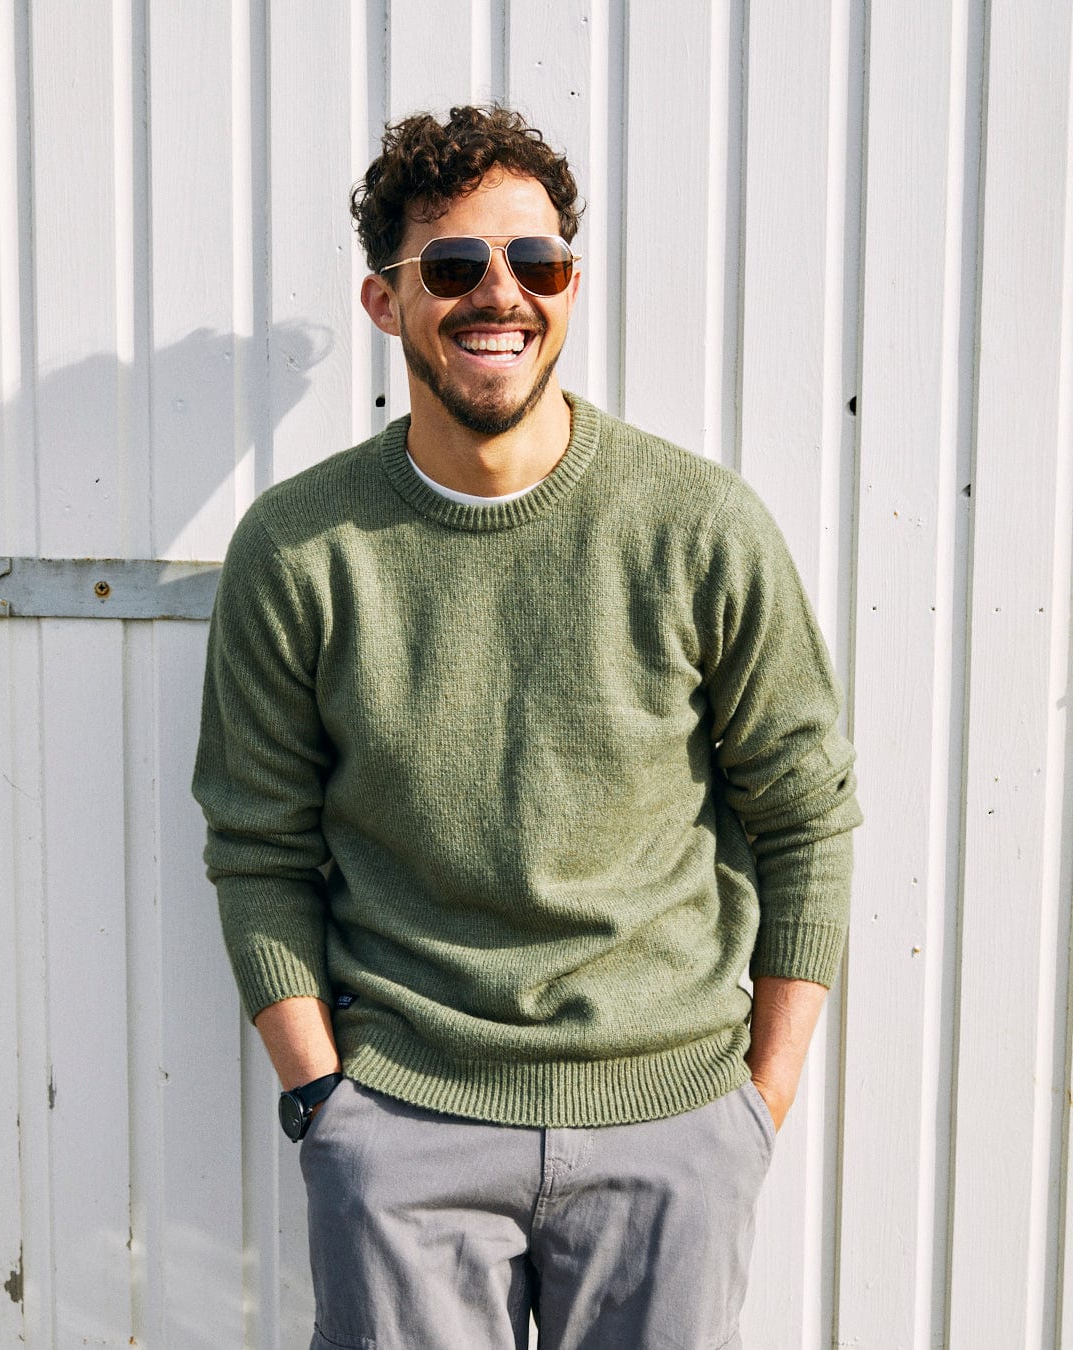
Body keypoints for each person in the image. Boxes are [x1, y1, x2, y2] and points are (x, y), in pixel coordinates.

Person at [193, 103, 861, 1350]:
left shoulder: (698, 527)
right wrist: (325, 1106)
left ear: (566, 285)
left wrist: (755, 1107)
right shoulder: (300, 549)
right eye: (453, 266)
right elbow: (258, 848)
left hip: (671, 1128)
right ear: (384, 303)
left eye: (536, 262)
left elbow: (807, 817)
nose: (501, 293)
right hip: (404, 1127)